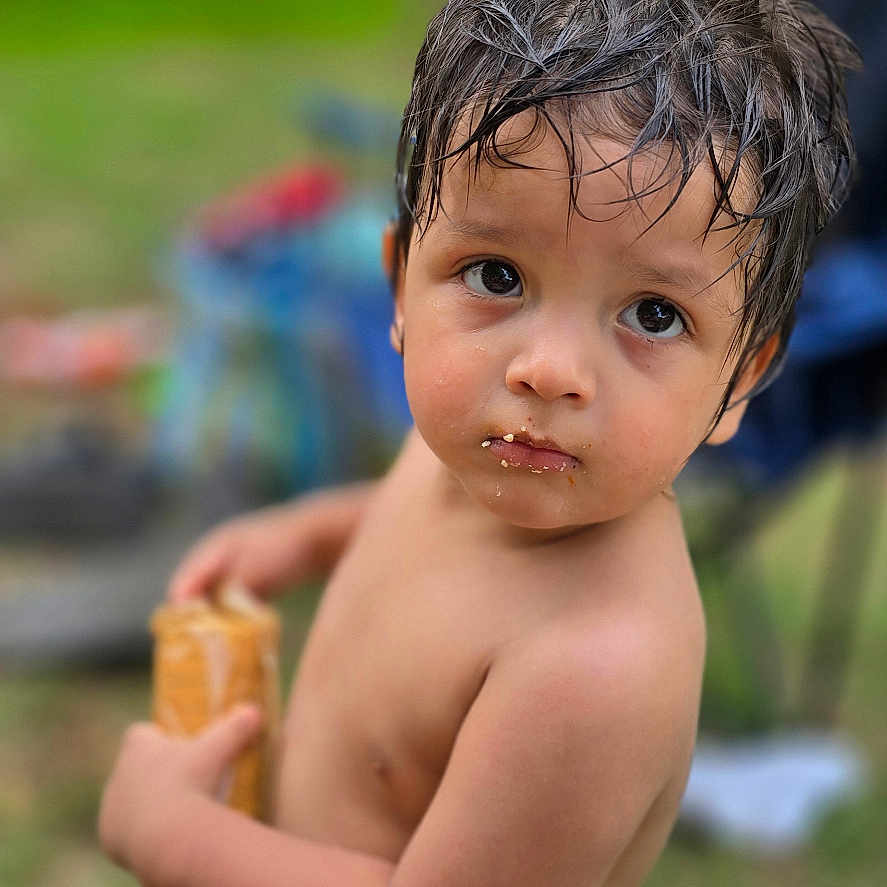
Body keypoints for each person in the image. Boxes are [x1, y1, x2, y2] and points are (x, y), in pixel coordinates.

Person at [99, 1, 859, 884]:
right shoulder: (487, 449)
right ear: (397, 288)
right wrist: (310, 533)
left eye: (653, 314)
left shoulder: (591, 671)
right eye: (496, 275)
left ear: (741, 377)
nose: (547, 369)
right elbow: (429, 533)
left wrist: (171, 834)